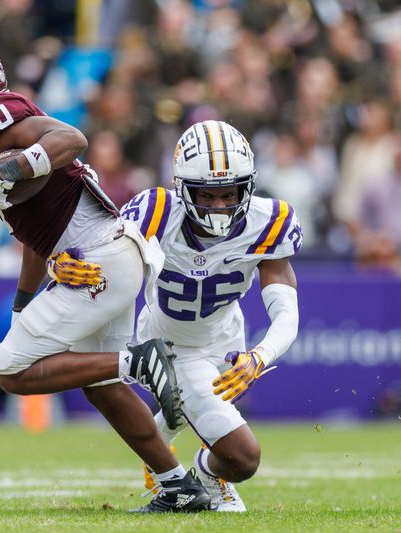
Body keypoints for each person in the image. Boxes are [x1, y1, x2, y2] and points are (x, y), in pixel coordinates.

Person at [0, 42, 209, 513]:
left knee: (8, 369)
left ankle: (137, 362)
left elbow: (71, 138)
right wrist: (23, 306)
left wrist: (11, 167)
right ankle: (178, 486)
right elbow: (35, 237)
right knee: (100, 384)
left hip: (100, 264)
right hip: (107, 258)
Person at [120, 120, 301, 511]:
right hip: (170, 345)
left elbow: (287, 313)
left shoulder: (268, 220)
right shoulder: (156, 210)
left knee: (188, 412)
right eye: (207, 195)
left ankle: (178, 462)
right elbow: (107, 263)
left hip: (226, 341)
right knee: (242, 456)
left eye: (229, 194)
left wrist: (259, 357)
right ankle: (191, 474)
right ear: (183, 188)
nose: (219, 206)